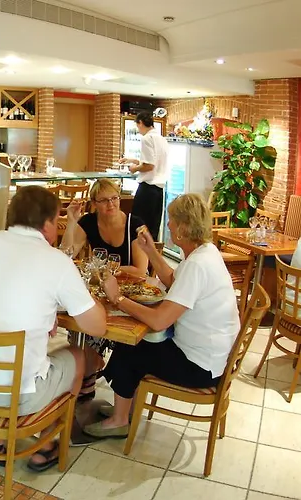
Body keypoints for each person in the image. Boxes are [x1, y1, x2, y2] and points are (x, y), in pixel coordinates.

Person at [0, 185, 107, 471]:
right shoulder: (55, 261)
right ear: (48, 223)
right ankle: (46, 445)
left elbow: (4, 294)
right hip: (18, 397)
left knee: (26, 354)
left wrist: (46, 313)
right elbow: (97, 327)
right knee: (79, 355)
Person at [84, 194, 240, 438]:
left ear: (184, 227)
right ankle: (125, 410)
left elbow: (159, 321)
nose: (168, 224)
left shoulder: (197, 265)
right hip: (213, 357)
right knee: (138, 344)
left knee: (130, 347)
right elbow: (173, 281)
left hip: (199, 366)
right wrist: (150, 250)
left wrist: (118, 299)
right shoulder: (206, 252)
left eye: (172, 220)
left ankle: (119, 420)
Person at [61, 178, 149, 401]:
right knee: (83, 319)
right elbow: (66, 255)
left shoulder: (134, 225)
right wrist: (71, 222)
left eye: (114, 198)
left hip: (129, 295)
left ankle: (92, 371)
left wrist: (105, 268)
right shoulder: (89, 222)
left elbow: (140, 270)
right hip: (101, 292)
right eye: (104, 200)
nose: (111, 204)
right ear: (94, 204)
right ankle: (88, 372)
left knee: (93, 324)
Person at [119, 111, 169, 240]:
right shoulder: (162, 139)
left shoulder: (147, 138)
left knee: (138, 226)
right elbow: (154, 162)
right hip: (159, 190)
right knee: (153, 228)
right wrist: (132, 160)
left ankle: (137, 252)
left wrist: (134, 169)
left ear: (140, 123)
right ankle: (152, 252)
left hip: (147, 189)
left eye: (137, 125)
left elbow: (149, 166)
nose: (138, 129)